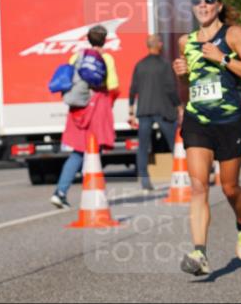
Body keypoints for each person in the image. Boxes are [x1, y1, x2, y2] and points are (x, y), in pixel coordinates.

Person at [173, 0, 241, 275]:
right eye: (197, 0)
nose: (203, 4)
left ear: (219, 5)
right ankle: (200, 253)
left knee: (229, 187)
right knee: (198, 186)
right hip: (197, 119)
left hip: (228, 121)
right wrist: (182, 76)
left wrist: (222, 59)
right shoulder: (186, 42)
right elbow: (188, 88)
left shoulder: (233, 34)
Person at [50, 25, 118, 208]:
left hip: (78, 108)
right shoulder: (106, 58)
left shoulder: (76, 57)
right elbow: (113, 85)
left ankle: (60, 191)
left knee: (77, 152)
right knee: (95, 152)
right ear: (105, 40)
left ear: (88, 38)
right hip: (97, 106)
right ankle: (93, 195)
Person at [128, 33, 182, 191]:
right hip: (163, 110)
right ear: (158, 45)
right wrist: (179, 106)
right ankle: (180, 175)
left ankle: (144, 180)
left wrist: (131, 111)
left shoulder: (140, 65)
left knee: (143, 146)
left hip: (144, 110)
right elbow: (171, 88)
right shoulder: (165, 65)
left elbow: (133, 89)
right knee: (175, 144)